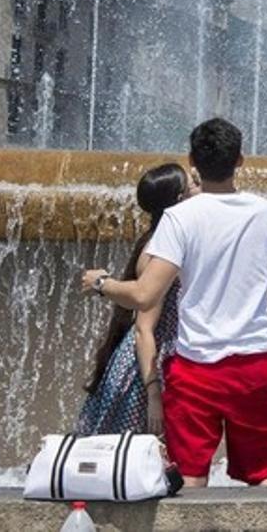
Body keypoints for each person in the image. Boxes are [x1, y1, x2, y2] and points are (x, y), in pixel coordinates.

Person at [81, 117, 267, 487]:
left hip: (196, 368)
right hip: (256, 364)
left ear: (192, 163)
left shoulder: (178, 218)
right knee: (264, 474)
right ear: (241, 161)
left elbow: (144, 294)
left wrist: (101, 283)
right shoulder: (266, 212)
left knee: (190, 477)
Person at [76, 163, 199, 436]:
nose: (198, 188)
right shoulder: (160, 251)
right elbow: (144, 329)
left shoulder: (164, 239)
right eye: (193, 185)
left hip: (157, 363)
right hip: (145, 372)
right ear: (180, 200)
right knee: (132, 462)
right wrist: (153, 393)